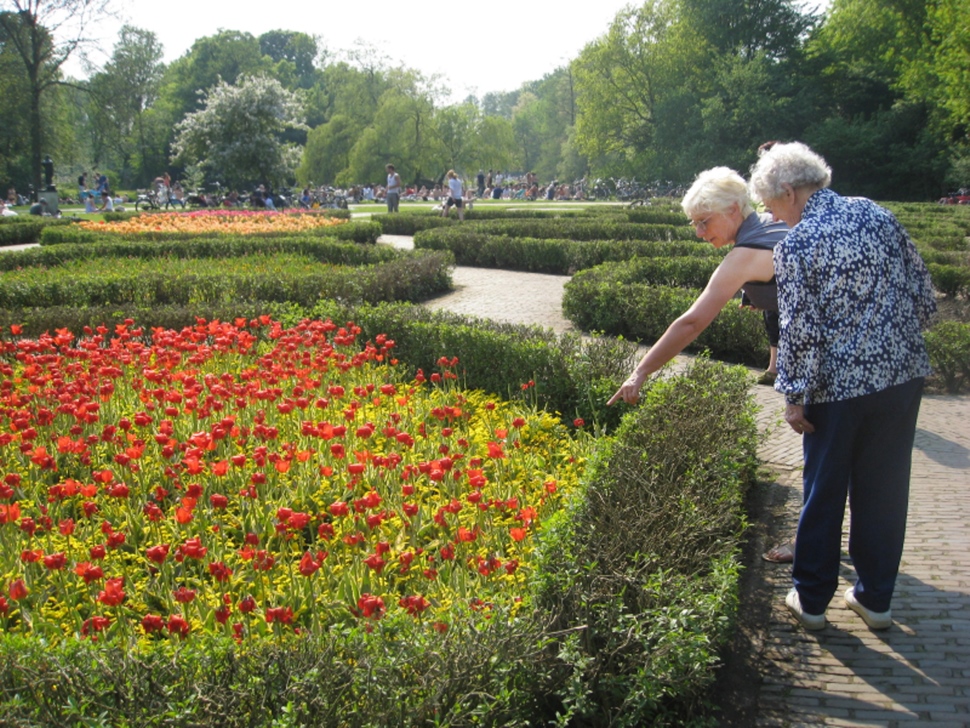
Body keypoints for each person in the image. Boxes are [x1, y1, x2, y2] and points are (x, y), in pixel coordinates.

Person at [748, 141, 936, 632]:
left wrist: (793, 397)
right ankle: (876, 600)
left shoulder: (798, 244)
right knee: (885, 488)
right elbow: (923, 292)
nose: (774, 218)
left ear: (789, 191)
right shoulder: (877, 214)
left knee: (824, 491)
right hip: (901, 377)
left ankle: (811, 602)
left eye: (772, 206)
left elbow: (800, 331)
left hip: (838, 389)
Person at [608, 167, 789, 407]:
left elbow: (692, 323)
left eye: (704, 221)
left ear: (733, 210)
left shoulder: (745, 255)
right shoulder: (771, 221)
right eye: (694, 223)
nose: (698, 232)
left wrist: (639, 372)